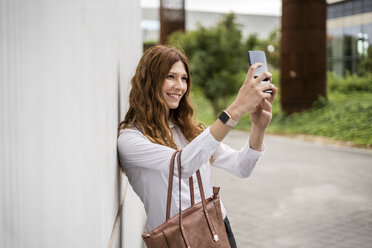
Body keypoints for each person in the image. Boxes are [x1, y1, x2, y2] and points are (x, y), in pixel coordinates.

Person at [117, 45, 277, 248]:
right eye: (170, 76)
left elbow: (241, 167)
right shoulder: (131, 139)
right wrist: (236, 109)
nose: (179, 86)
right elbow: (182, 165)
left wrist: (258, 128)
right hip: (176, 238)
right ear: (149, 81)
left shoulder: (190, 131)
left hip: (217, 227)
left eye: (184, 79)